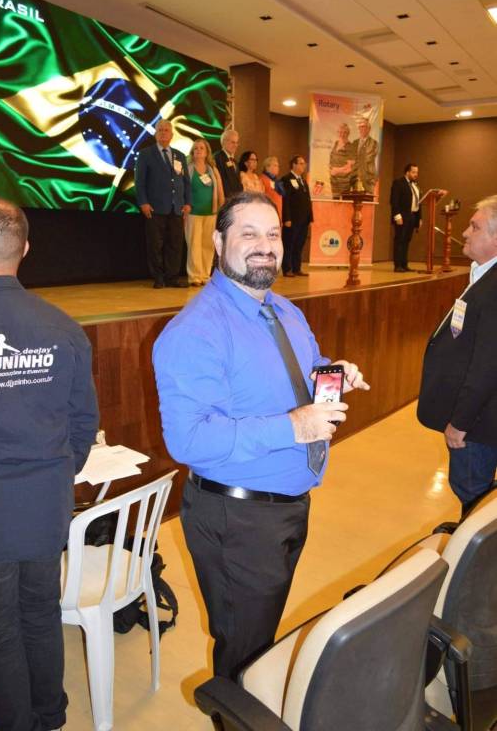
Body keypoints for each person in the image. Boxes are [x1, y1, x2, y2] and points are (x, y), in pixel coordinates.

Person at [153, 191, 369, 680]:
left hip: (286, 506)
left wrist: (333, 373)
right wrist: (293, 427)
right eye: (248, 234)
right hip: (238, 520)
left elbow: (304, 368)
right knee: (243, 655)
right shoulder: (195, 331)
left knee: (259, 637)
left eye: (272, 234)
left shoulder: (285, 310)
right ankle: (232, 711)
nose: (265, 246)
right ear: (218, 242)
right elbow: (189, 441)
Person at [0, 194, 98, 731]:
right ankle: (50, 715)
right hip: (45, 508)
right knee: (40, 612)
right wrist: (55, 477)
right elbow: (83, 424)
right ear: (26, 249)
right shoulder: (64, 328)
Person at [417, 195, 497, 515]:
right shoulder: (484, 275)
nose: (465, 232)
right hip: (479, 418)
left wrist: (460, 423)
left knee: (473, 496)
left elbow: (488, 366)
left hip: (477, 424)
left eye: (475, 227)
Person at [135, 118, 191, 288]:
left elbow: (186, 182)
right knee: (155, 245)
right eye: (160, 130)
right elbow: (140, 182)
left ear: (172, 135)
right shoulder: (146, 154)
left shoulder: (179, 156)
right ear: (155, 134)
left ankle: (172, 277)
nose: (163, 133)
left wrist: (187, 202)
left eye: (167, 130)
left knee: (175, 245)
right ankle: (158, 277)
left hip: (177, 208)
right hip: (155, 207)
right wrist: (143, 202)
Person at [186, 138, 224, 286]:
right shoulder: (188, 168)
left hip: (211, 212)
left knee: (208, 245)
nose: (198, 150)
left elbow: (220, 190)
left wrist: (221, 207)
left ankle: (205, 275)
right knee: (194, 245)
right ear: (192, 152)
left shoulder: (212, 169)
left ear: (207, 152)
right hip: (193, 212)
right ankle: (195, 276)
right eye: (196, 148)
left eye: (201, 148)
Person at [281, 155, 313, 277]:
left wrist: (310, 217)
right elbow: (286, 200)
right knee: (289, 244)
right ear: (294, 165)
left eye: (304, 163)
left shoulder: (303, 181)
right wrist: (287, 218)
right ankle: (287, 269)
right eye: (301, 163)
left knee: (299, 245)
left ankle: (296, 268)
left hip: (303, 220)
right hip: (292, 219)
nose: (303, 166)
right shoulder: (286, 179)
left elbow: (308, 200)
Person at [390, 163, 421, 272]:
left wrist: (419, 218)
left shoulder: (415, 185)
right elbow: (394, 201)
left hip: (412, 216)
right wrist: (397, 216)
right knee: (400, 240)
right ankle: (398, 265)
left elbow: (418, 202)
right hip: (402, 216)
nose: (416, 174)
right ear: (407, 172)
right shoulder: (398, 183)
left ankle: (404, 264)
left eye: (417, 172)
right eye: (413, 172)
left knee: (407, 240)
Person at [329, 122, 356, 197]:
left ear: (348, 133)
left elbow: (350, 167)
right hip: (334, 180)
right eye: (340, 132)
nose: (342, 134)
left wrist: (336, 170)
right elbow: (331, 159)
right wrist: (331, 169)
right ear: (337, 132)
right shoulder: (336, 143)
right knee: (335, 200)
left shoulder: (351, 147)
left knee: (345, 201)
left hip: (344, 181)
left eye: (345, 132)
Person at [214, 129, 242, 198]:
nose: (236, 145)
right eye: (233, 142)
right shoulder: (217, 158)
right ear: (224, 142)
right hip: (225, 199)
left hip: (235, 199)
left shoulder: (234, 161)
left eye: (237, 143)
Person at [353, 117, 379, 194]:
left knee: (368, 200)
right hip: (355, 178)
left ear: (369, 129)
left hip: (368, 178)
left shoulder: (374, 143)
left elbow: (367, 158)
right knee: (353, 199)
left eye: (364, 126)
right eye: (360, 127)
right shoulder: (354, 142)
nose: (362, 129)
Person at [260, 156, 283, 222]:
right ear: (267, 167)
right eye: (275, 165)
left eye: (278, 166)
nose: (278, 168)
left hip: (278, 213)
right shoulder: (262, 179)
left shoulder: (277, 181)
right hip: (268, 214)